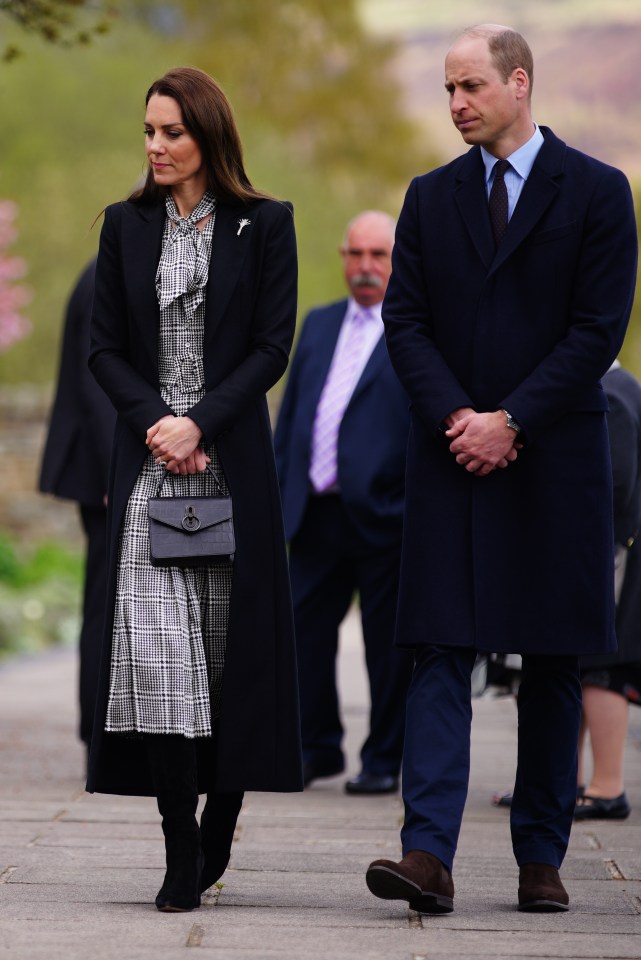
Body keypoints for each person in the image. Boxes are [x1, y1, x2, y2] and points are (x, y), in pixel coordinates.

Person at [365, 24, 637, 914]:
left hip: (554, 460)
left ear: (520, 83)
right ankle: (426, 854)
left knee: (553, 657)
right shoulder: (427, 196)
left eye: (471, 86)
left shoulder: (597, 192)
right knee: (437, 648)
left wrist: (512, 419)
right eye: (447, 89)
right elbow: (404, 323)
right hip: (451, 460)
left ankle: (539, 858)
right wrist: (459, 419)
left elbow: (596, 330)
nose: (455, 105)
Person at [86, 66, 302, 913]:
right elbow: (104, 347)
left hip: (229, 469)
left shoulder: (266, 223)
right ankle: (180, 846)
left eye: (171, 132)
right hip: (149, 470)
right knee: (158, 652)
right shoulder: (123, 225)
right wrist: (158, 424)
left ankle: (222, 821)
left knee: (223, 658)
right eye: (148, 131)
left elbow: (269, 347)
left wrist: (200, 423)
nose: (155, 146)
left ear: (208, 135)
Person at [274, 211, 412, 795]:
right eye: (355, 254)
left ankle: (383, 758)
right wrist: (279, 494)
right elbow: (295, 414)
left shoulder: (414, 330)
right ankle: (315, 747)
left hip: (382, 515)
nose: (365, 267)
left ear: (397, 260)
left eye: (378, 255)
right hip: (314, 510)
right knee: (303, 637)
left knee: (386, 647)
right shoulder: (320, 322)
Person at [39, 257, 116, 749]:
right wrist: (118, 469)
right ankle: (98, 728)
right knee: (105, 600)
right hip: (106, 472)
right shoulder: (102, 276)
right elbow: (97, 383)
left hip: (109, 469)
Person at [575, 362, 641, 821]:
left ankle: (607, 786)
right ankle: (571, 782)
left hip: (611, 553)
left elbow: (617, 487)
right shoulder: (619, 386)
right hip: (612, 551)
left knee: (602, 669)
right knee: (584, 669)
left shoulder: (611, 392)